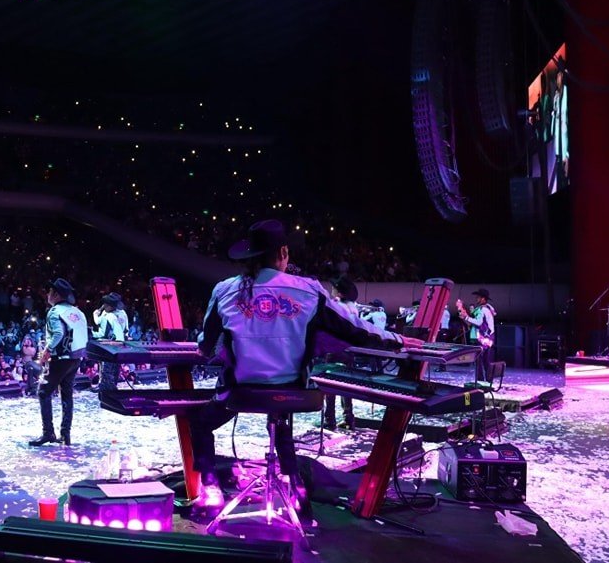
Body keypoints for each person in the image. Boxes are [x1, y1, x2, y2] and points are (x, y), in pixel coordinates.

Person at [190, 219, 421, 513]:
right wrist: (397, 339)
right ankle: (295, 486)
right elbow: (355, 329)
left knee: (200, 423)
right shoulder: (309, 290)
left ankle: (211, 490)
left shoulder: (224, 290)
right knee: (280, 414)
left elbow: (205, 347)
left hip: (241, 393)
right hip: (294, 394)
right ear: (284, 252)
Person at [28, 278, 88, 447]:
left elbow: (58, 334)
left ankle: (48, 433)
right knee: (67, 395)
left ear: (55, 294)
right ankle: (65, 434)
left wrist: (46, 351)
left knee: (43, 392)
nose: (47, 294)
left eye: (49, 291)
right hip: (75, 358)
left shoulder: (55, 312)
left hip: (60, 359)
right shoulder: (78, 313)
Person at [321, 276, 358, 430]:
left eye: (335, 287)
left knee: (330, 387)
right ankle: (348, 419)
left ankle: (329, 420)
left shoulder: (336, 306)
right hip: (348, 351)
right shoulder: (353, 307)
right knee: (346, 386)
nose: (332, 290)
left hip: (334, 350)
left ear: (340, 293)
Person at [456, 288, 496, 381]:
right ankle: (488, 381)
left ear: (483, 299)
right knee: (486, 361)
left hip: (480, 339)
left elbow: (478, 322)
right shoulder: (488, 308)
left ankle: (480, 382)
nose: (476, 298)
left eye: (478, 297)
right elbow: (473, 323)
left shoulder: (482, 309)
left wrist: (466, 317)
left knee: (479, 361)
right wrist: (465, 317)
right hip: (488, 338)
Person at [93, 292, 128, 391]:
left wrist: (95, 315)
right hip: (120, 344)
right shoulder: (123, 313)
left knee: (106, 368)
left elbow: (99, 324)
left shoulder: (108, 315)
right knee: (115, 367)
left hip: (109, 344)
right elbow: (126, 329)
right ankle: (113, 385)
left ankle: (105, 387)